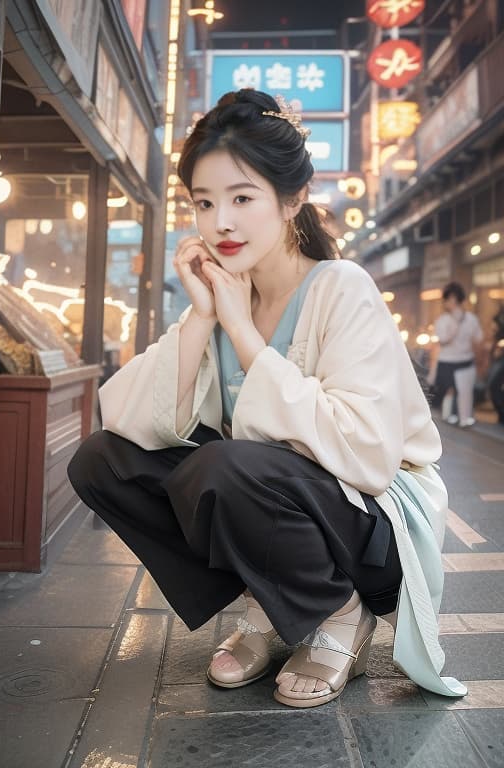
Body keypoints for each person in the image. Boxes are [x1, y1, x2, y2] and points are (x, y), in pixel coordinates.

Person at [68, 89, 466, 707]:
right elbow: (130, 421)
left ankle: (339, 609)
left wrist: (247, 337)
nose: (220, 221)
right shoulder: (226, 294)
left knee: (221, 465)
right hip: (279, 506)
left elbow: (365, 455)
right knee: (100, 459)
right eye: (204, 203)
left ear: (293, 200)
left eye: (242, 198)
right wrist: (203, 318)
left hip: (374, 527)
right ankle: (266, 600)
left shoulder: (341, 288)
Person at [432, 282, 483, 427]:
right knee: (453, 392)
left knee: (460, 393)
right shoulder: (445, 320)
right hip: (452, 361)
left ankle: (460, 418)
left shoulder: (468, 319)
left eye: (446, 299)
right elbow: (478, 339)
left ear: (453, 299)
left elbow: (478, 339)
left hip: (462, 361)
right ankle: (452, 417)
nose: (445, 303)